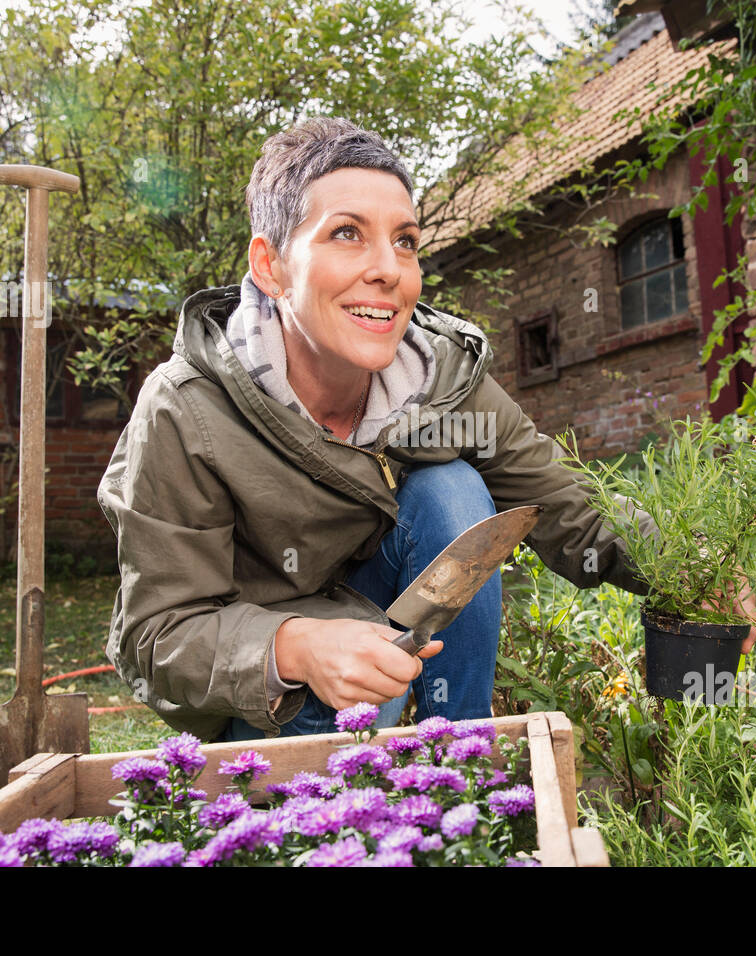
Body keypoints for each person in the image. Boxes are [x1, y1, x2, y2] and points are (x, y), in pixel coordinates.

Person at [97, 116, 722, 744]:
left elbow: (570, 509)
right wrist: (296, 645)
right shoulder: (185, 411)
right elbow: (157, 634)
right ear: (271, 266)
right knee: (351, 710)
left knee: (451, 491)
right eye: (346, 234)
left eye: (405, 241)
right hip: (268, 698)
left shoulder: (441, 380)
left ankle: (461, 757)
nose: (388, 270)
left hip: (386, 618)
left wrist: (696, 570)